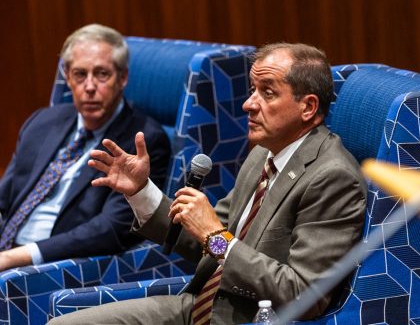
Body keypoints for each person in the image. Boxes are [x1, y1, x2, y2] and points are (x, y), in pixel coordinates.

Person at [49, 43, 366, 324]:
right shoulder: (263, 155)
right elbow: (199, 240)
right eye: (252, 90)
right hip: (199, 306)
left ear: (307, 107)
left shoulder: (332, 176)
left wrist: (216, 237)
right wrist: (140, 191)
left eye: (267, 92)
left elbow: (303, 294)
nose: (248, 104)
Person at [0, 24, 170, 270]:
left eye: (102, 74)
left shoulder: (143, 142)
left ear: (122, 78)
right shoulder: (42, 122)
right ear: (67, 77)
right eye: (80, 74)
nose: (89, 86)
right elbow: (4, 199)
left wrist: (16, 257)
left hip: (51, 268)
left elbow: (112, 229)